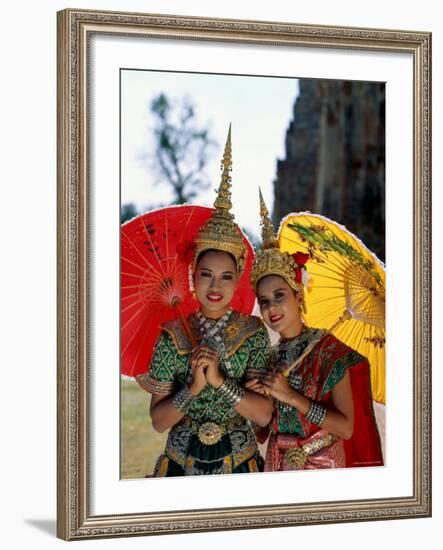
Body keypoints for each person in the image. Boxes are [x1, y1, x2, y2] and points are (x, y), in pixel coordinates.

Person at [137, 131, 273, 476]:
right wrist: (195, 387)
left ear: (238, 279)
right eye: (206, 274)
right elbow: (158, 421)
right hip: (180, 466)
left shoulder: (251, 332)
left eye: (226, 276)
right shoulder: (171, 335)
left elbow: (262, 414)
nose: (215, 286)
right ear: (192, 276)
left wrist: (220, 382)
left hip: (239, 464)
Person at [246, 191, 384, 471]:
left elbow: (345, 427)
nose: (271, 307)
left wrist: (292, 396)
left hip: (324, 466)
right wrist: (260, 400)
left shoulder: (331, 351)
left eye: (280, 295)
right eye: (264, 301)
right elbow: (262, 433)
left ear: (299, 297)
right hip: (277, 465)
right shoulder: (269, 358)